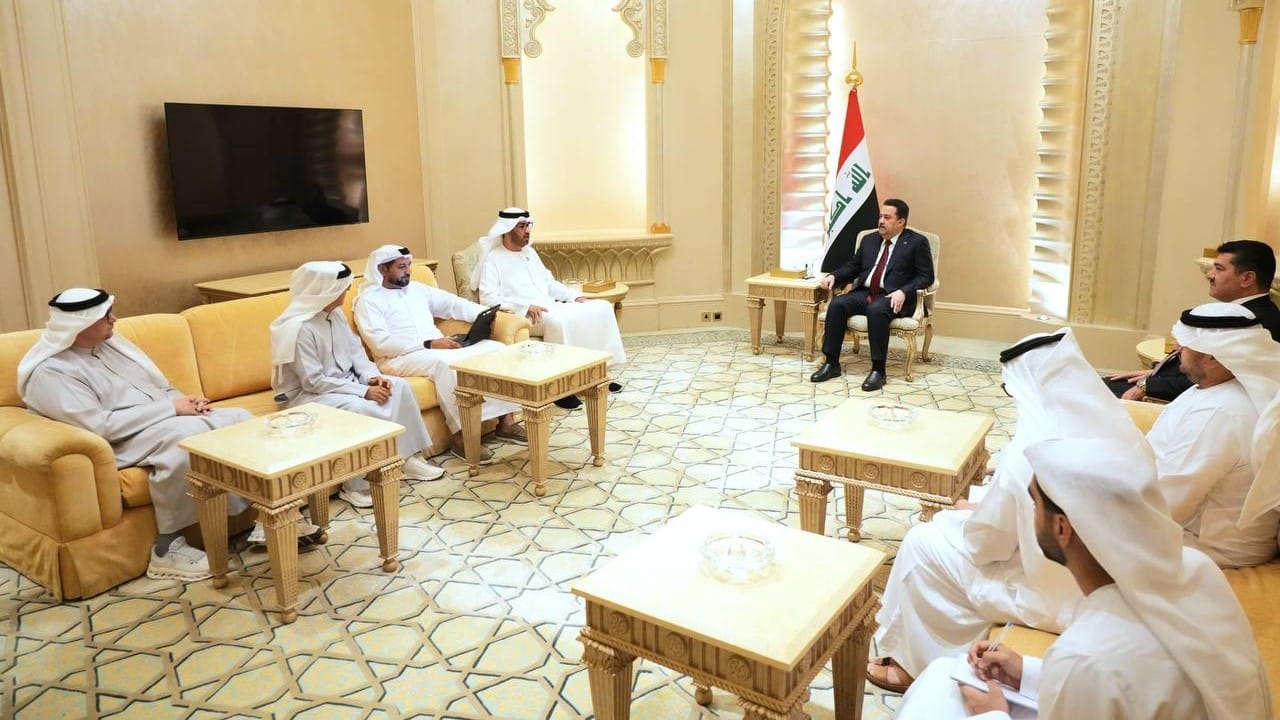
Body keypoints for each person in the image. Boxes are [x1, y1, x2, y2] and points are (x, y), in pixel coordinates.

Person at [895, 437, 1270, 719]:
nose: (1031, 515)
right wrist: (1026, 673)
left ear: (1062, 527)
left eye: (1034, 503)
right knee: (944, 673)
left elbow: (1104, 674)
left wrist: (993, 714)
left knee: (937, 694)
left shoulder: (1084, 657)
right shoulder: (1197, 569)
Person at [868, 329, 1149, 693]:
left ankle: (915, 665)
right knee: (951, 522)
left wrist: (964, 511)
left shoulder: (1031, 452)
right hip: (1119, 576)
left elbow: (986, 546)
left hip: (1060, 596)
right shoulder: (1120, 427)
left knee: (923, 542)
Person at [18, 288, 253, 582]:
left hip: (161, 421)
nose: (114, 319)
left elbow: (160, 386)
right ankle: (167, 549)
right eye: (106, 316)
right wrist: (172, 409)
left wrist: (187, 402)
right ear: (80, 324)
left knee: (242, 419)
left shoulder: (112, 347)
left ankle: (261, 516)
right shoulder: (52, 372)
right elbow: (99, 425)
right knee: (187, 441)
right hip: (121, 438)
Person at [270, 261, 445, 510]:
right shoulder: (298, 329)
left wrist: (372, 377)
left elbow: (356, 353)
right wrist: (364, 391)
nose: (345, 293)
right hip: (308, 395)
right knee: (360, 409)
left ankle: (407, 459)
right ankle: (354, 485)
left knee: (400, 388)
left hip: (344, 384)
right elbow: (313, 381)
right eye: (341, 288)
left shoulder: (335, 314)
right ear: (324, 291)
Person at [353, 245, 527, 463]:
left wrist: (486, 315)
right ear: (382, 269)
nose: (408, 271)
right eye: (401, 267)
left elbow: (453, 304)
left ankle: (506, 421)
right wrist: (429, 343)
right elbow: (381, 343)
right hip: (399, 357)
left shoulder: (417, 290)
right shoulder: (368, 300)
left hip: (436, 347)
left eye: (408, 265)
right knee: (447, 366)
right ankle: (461, 437)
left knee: (495, 349)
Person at [1148, 302, 1280, 568]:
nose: (1178, 349)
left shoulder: (1221, 412)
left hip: (1210, 545)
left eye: (1185, 344)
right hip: (1186, 525)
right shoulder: (1218, 388)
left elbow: (1170, 503)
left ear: (1213, 357)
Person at [472, 207, 626, 410]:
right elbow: (487, 297)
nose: (527, 231)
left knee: (602, 307)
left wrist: (574, 297)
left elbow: (550, 283)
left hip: (550, 306)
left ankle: (597, 375)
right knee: (558, 321)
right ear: (507, 229)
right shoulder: (494, 259)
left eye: (528, 225)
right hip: (525, 315)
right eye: (521, 226)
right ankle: (560, 387)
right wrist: (525, 306)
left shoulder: (530, 253)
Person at [1105, 239, 1279, 402]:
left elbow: (1217, 379)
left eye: (1219, 269)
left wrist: (1147, 386)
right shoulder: (1239, 312)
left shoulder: (1257, 323)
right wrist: (1154, 373)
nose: (1209, 275)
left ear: (1247, 279)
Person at [811, 199, 934, 391]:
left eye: (887, 217)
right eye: (880, 216)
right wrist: (834, 276)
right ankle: (831, 363)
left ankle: (878, 370)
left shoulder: (917, 242)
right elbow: (853, 267)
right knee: (837, 304)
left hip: (893, 296)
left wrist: (903, 291)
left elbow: (926, 276)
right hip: (866, 292)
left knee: (876, 310)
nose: (881, 221)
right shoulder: (869, 240)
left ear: (901, 222)